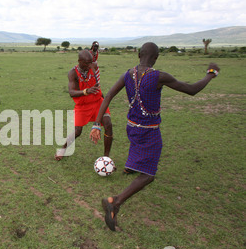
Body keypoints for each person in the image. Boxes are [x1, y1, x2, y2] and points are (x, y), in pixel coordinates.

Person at [90, 42, 220, 231]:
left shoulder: (127, 74)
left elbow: (108, 95)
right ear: (156, 58)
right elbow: (192, 90)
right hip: (149, 131)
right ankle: (115, 202)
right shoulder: (158, 76)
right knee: (148, 175)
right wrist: (210, 74)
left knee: (138, 153)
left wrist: (96, 124)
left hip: (132, 127)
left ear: (139, 55)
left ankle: (130, 168)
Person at [55, 49, 113, 160]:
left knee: (108, 125)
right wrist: (86, 91)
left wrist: (94, 51)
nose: (89, 65)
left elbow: (94, 59)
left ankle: (106, 158)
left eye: (90, 62)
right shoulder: (73, 73)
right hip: (83, 105)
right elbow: (71, 92)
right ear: (79, 61)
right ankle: (62, 149)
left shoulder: (93, 66)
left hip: (98, 102)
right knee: (77, 131)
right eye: (86, 63)